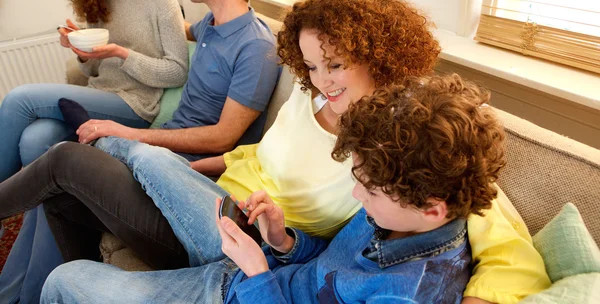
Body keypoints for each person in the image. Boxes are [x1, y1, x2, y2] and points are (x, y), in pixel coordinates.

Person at [39, 73, 506, 303]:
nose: (358, 197)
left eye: (369, 190)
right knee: (141, 160)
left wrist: (259, 274)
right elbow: (327, 266)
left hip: (242, 290)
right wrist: (285, 241)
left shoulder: (405, 291)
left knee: (64, 280)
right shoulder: (399, 211)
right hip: (250, 271)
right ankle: (105, 142)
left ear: (431, 209)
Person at [0, 0, 189, 303]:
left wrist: (121, 52)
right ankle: (20, 292)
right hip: (104, 96)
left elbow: (176, 72)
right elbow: (92, 76)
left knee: (19, 100)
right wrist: (83, 52)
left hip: (136, 105)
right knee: (38, 140)